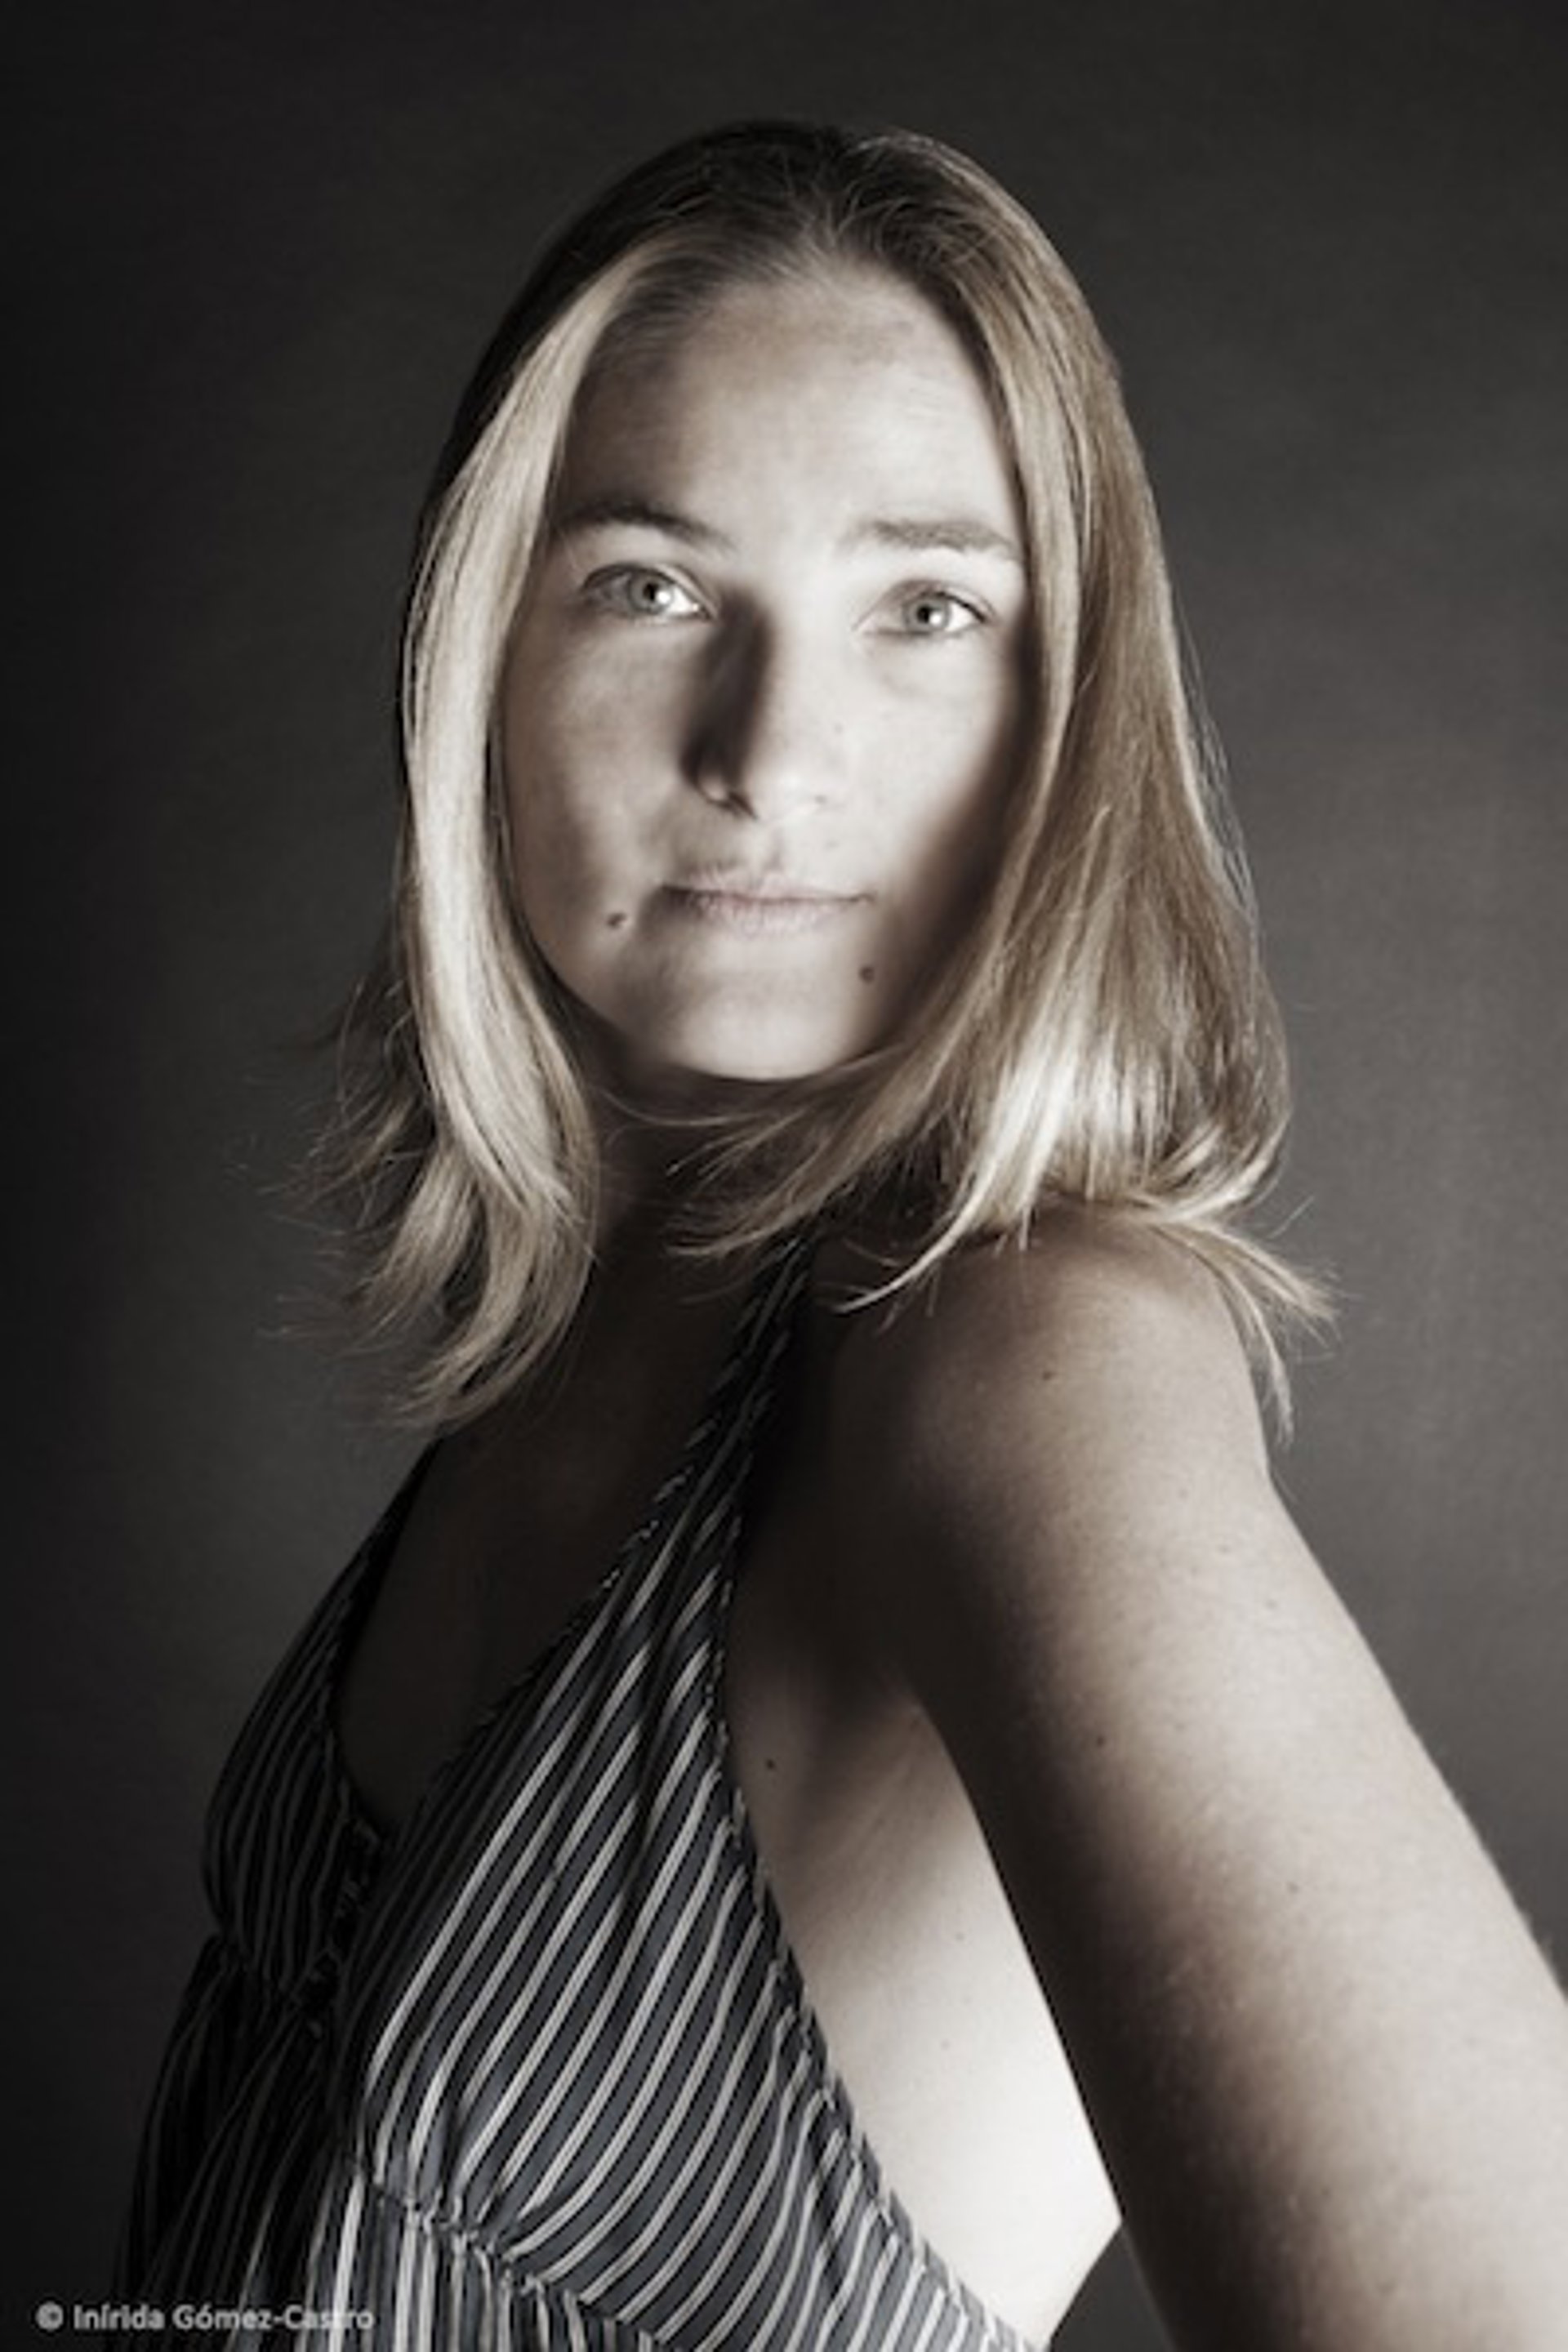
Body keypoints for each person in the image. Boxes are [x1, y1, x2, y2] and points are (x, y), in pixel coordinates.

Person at [119, 121, 1568, 2350]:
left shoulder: (1025, 1361)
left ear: (1068, 717)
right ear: (474, 653)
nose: (769, 753)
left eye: (928, 609)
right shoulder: (624, 1313)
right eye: (650, 586)